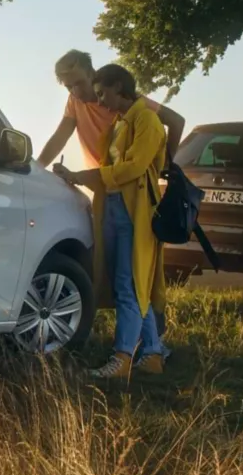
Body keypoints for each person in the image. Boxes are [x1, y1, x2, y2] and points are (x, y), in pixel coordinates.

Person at [54, 63, 168, 381]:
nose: (99, 100)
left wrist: (85, 176)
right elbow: (110, 167)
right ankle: (153, 354)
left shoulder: (146, 119)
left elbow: (132, 168)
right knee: (127, 286)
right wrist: (76, 176)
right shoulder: (119, 123)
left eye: (103, 93)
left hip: (135, 212)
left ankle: (122, 358)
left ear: (120, 87)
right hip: (115, 208)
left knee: (129, 285)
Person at [37, 49, 186, 169]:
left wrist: (166, 165)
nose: (76, 92)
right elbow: (59, 138)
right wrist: (37, 168)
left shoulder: (125, 100)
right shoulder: (74, 101)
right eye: (69, 87)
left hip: (128, 187)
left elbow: (176, 121)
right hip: (101, 185)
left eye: (79, 83)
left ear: (92, 73)